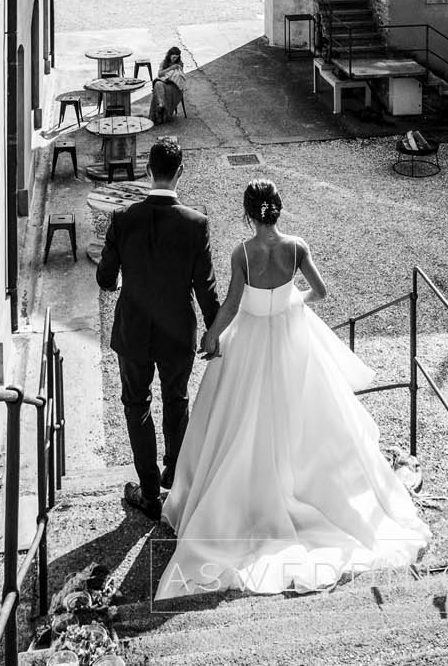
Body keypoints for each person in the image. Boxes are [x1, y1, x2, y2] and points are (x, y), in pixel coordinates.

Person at [157, 180, 430, 596]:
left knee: (237, 420)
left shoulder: (243, 253)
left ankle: (236, 502)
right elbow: (320, 292)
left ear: (248, 214)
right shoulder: (297, 247)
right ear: (278, 210)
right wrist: (289, 302)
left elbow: (231, 305)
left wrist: (212, 337)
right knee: (306, 417)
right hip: (290, 340)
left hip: (248, 341)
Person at [96, 137, 218, 520]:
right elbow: (206, 289)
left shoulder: (122, 219)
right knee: (176, 401)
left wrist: (121, 279)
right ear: (180, 171)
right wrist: (215, 332)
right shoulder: (197, 225)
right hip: (177, 332)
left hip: (133, 331)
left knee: (136, 406)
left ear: (148, 171)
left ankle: (148, 492)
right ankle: (174, 478)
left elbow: (104, 278)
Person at [154, 46, 187, 123]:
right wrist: (171, 68)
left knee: (161, 90)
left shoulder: (179, 63)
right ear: (169, 55)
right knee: (158, 84)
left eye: (176, 58)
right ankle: (161, 105)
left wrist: (178, 68)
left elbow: (180, 76)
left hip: (175, 86)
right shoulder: (164, 63)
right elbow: (159, 74)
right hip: (165, 83)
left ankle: (164, 113)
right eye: (174, 57)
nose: (175, 59)